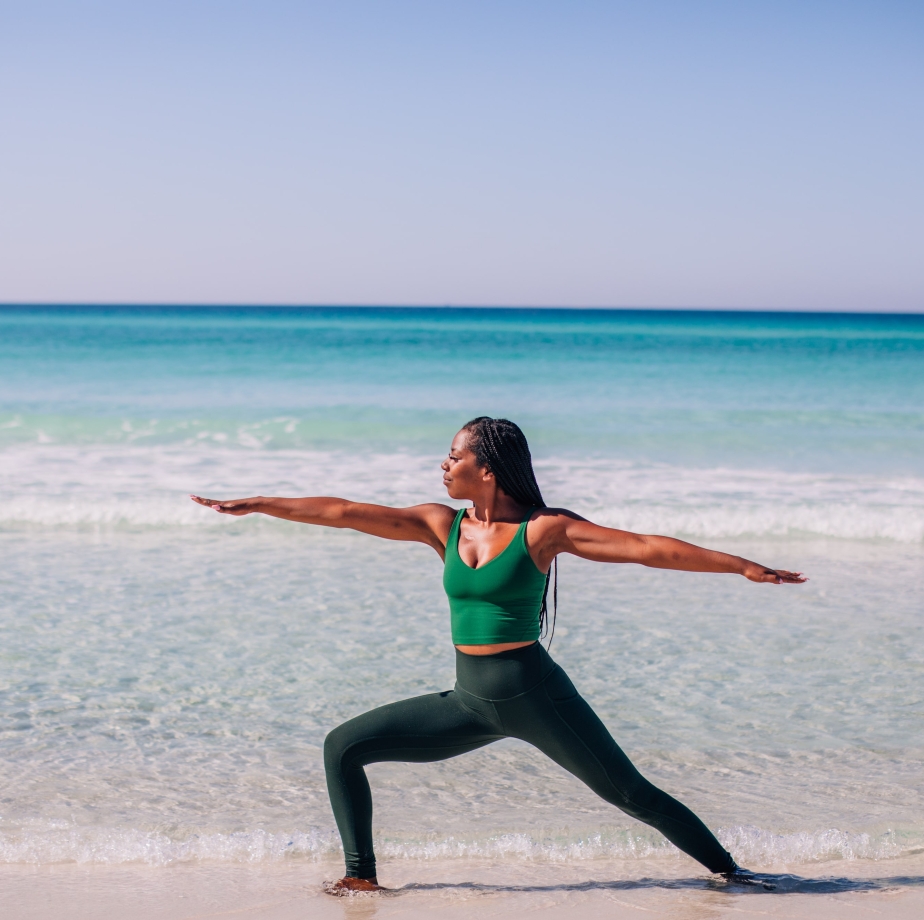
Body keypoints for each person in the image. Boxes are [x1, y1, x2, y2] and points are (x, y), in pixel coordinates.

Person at [191, 417, 805, 893]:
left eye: (455, 456)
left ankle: (734, 874)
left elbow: (647, 548)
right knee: (343, 747)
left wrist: (743, 566)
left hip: (536, 695)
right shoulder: (442, 526)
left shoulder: (545, 530)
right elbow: (348, 513)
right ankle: (360, 878)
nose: (444, 464)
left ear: (487, 469)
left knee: (629, 794)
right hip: (471, 701)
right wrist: (260, 503)